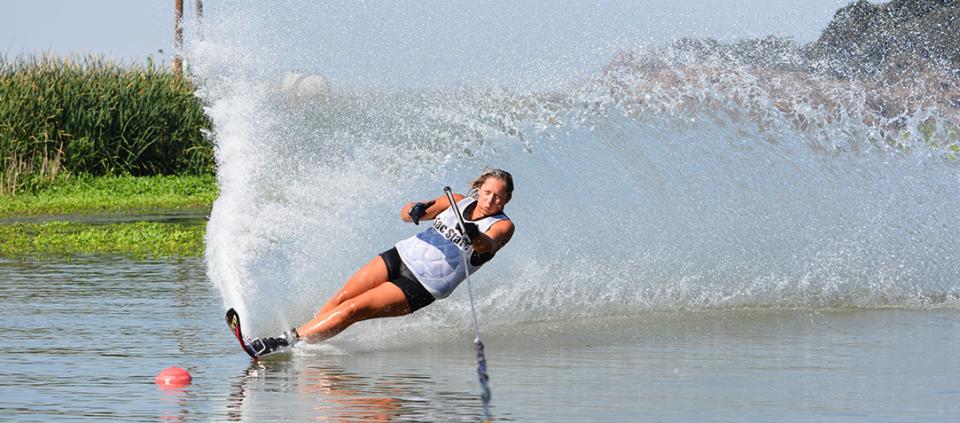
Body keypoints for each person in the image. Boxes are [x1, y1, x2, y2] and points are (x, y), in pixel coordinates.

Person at [247, 168, 516, 356]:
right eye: (488, 192)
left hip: (423, 284)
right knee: (342, 298)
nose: (491, 199)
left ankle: (281, 343)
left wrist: (474, 235)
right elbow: (407, 213)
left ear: (506, 200)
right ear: (478, 188)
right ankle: (306, 341)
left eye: (499, 196)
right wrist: (416, 210)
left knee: (352, 310)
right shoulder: (455, 201)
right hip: (399, 256)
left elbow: (488, 245)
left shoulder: (502, 225)